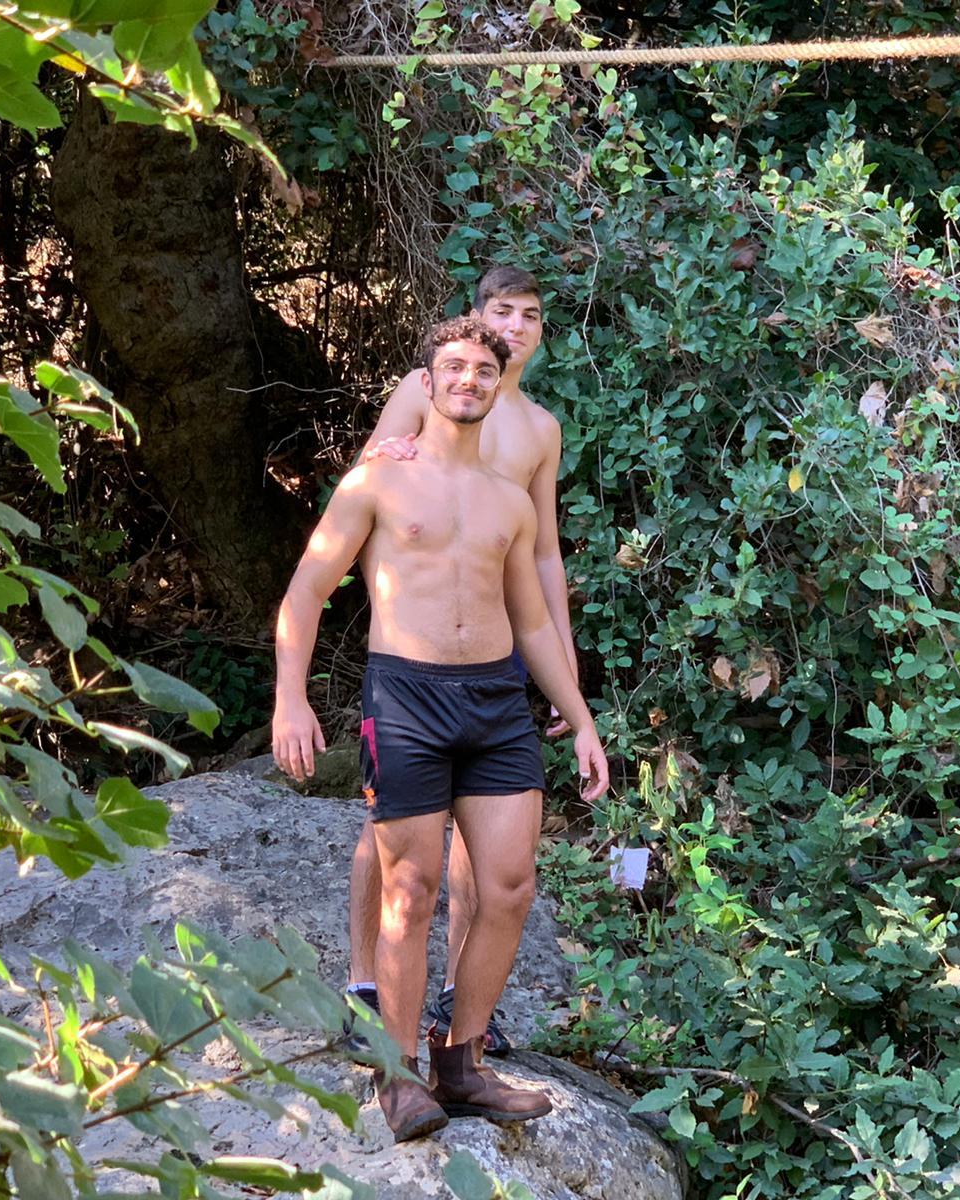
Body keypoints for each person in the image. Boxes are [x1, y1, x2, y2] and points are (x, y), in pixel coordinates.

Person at [272, 315, 609, 1142]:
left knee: (508, 886)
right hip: (407, 700)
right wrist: (290, 698)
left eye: (483, 371)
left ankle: (461, 1063)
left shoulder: (508, 501)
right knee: (412, 889)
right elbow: (307, 590)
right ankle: (398, 1074)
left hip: (496, 705)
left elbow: (533, 623)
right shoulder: (377, 482)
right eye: (453, 367)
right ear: (426, 383)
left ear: (498, 386)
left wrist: (580, 718)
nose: (469, 380)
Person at [344, 266, 577, 1056]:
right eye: (500, 311)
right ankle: (366, 986)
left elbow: (542, 556)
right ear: (475, 316)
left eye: (529, 315)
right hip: (416, 654)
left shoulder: (539, 429)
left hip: (503, 643)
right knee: (392, 829)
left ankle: (458, 1001)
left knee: (489, 838)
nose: (514, 326)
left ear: (540, 333)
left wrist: (564, 669)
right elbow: (373, 488)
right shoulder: (432, 385)